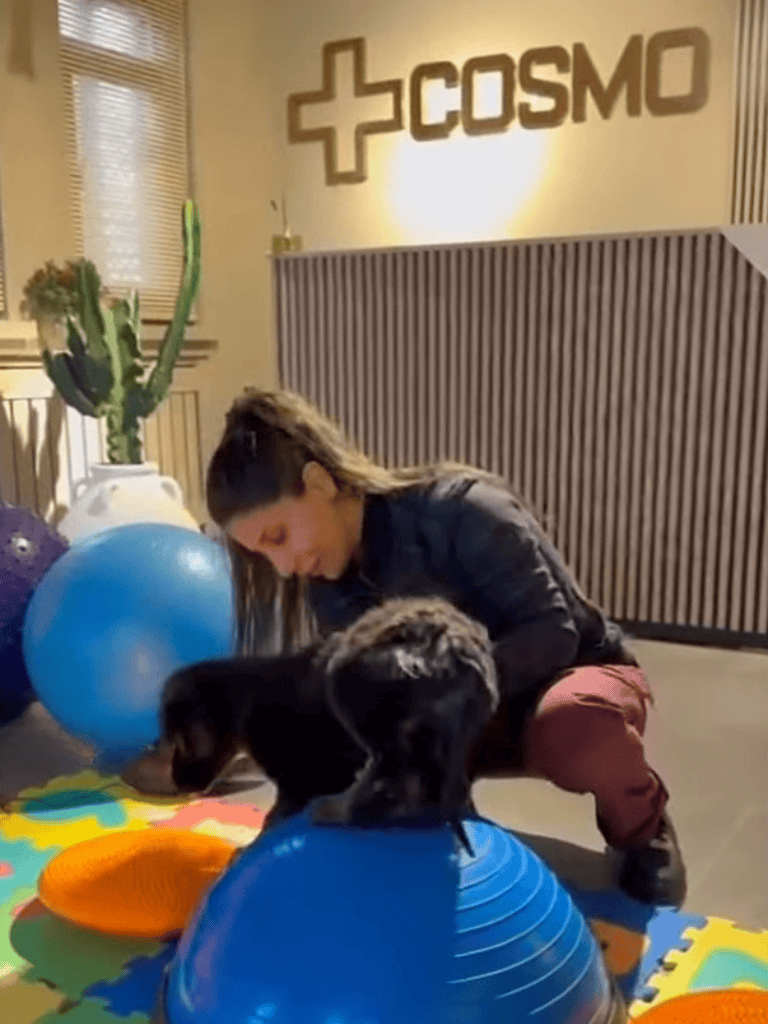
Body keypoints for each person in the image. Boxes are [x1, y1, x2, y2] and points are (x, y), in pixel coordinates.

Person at [127, 386, 687, 907]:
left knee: (576, 726)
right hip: (463, 718)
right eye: (262, 555)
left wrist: (431, 692)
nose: (284, 565)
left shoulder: (464, 509)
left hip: (567, 679)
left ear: (319, 482)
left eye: (278, 537)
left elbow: (553, 635)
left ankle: (641, 826)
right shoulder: (327, 587)